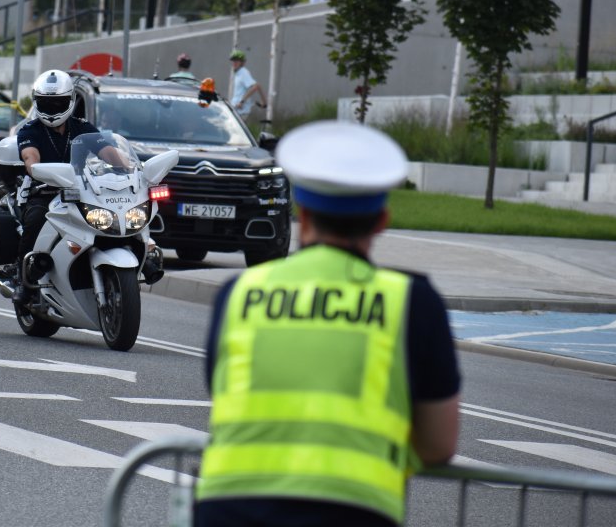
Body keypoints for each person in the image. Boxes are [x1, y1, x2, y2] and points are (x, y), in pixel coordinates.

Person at [195, 120, 461, 527]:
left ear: (303, 212)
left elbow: (223, 392)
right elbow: (438, 445)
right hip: (353, 510)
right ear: (381, 220)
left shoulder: (240, 292)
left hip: (228, 507)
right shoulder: (412, 303)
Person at [14, 70, 103, 304]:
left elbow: (110, 154)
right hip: (43, 192)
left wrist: (129, 167)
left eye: (58, 103)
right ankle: (24, 281)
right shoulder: (29, 130)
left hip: (81, 193)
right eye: (46, 103)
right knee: (34, 221)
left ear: (70, 101)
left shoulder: (83, 128)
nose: (53, 109)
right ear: (37, 103)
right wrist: (36, 169)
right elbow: (30, 158)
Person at [228, 50, 265, 119]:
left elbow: (255, 86)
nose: (234, 63)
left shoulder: (243, 72)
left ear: (242, 62)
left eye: (236, 61)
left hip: (241, 112)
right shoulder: (238, 73)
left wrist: (242, 102)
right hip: (236, 110)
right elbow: (258, 85)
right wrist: (264, 102)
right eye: (233, 61)